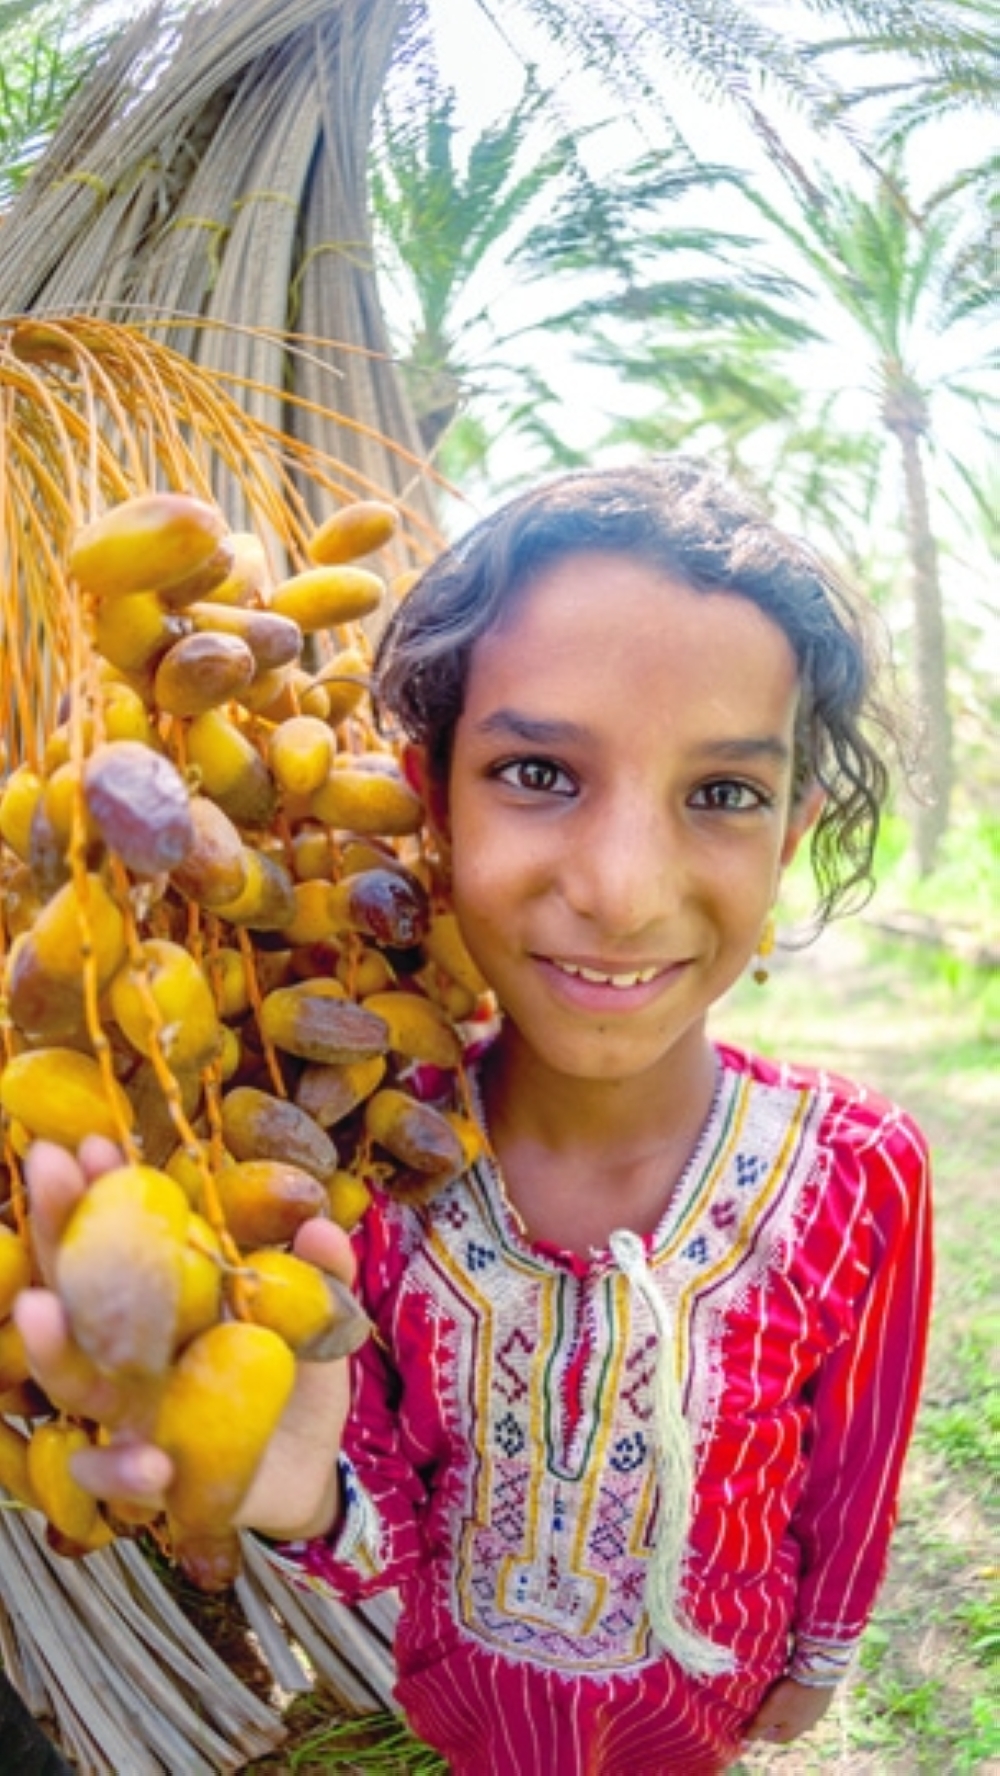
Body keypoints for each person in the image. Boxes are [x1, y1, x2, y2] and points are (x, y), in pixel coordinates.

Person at [16, 458, 932, 1775]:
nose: (622, 890)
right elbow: (378, 1506)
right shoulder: (366, 1170)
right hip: (468, 1714)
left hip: (705, 1712)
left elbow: (859, 1465)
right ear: (427, 803)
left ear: (790, 835)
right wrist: (303, 1492)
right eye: (540, 773)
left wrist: (824, 1651)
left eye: (724, 792)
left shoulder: (864, 1173)